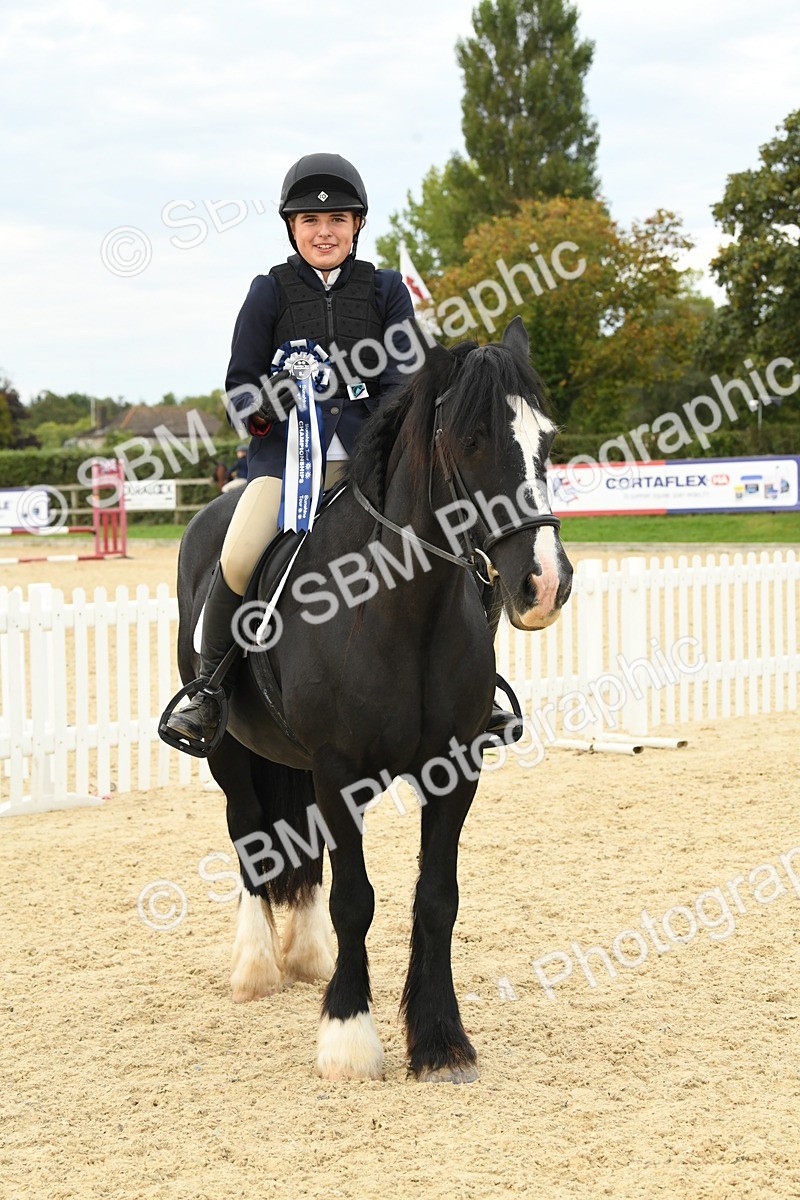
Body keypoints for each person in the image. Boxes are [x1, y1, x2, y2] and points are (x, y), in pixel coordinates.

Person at [163, 152, 521, 753]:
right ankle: (210, 689)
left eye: (336, 221)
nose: (322, 232)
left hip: (373, 469)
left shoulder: (384, 291)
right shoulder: (268, 293)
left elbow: (406, 380)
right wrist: (268, 401)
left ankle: (476, 691)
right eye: (308, 222)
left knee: (459, 544)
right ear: (292, 229)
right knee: (239, 552)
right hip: (283, 469)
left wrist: (369, 408)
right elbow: (239, 385)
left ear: (356, 225)